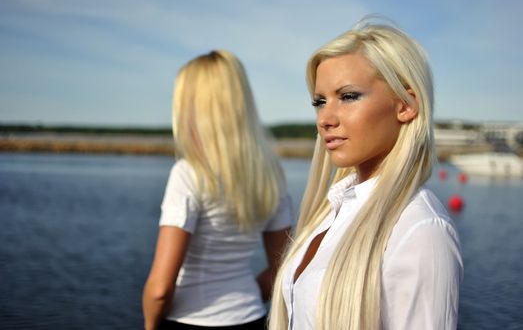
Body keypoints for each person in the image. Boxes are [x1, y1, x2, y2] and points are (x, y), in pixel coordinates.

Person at [268, 19, 463, 330]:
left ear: (406, 105)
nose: (325, 119)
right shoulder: (332, 209)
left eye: (348, 96)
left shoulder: (421, 230)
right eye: (320, 102)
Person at [143, 50, 292, 330]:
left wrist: (150, 325)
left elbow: (160, 289)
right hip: (250, 317)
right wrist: (245, 294)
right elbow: (283, 269)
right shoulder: (272, 174)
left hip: (189, 320)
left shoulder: (188, 174)